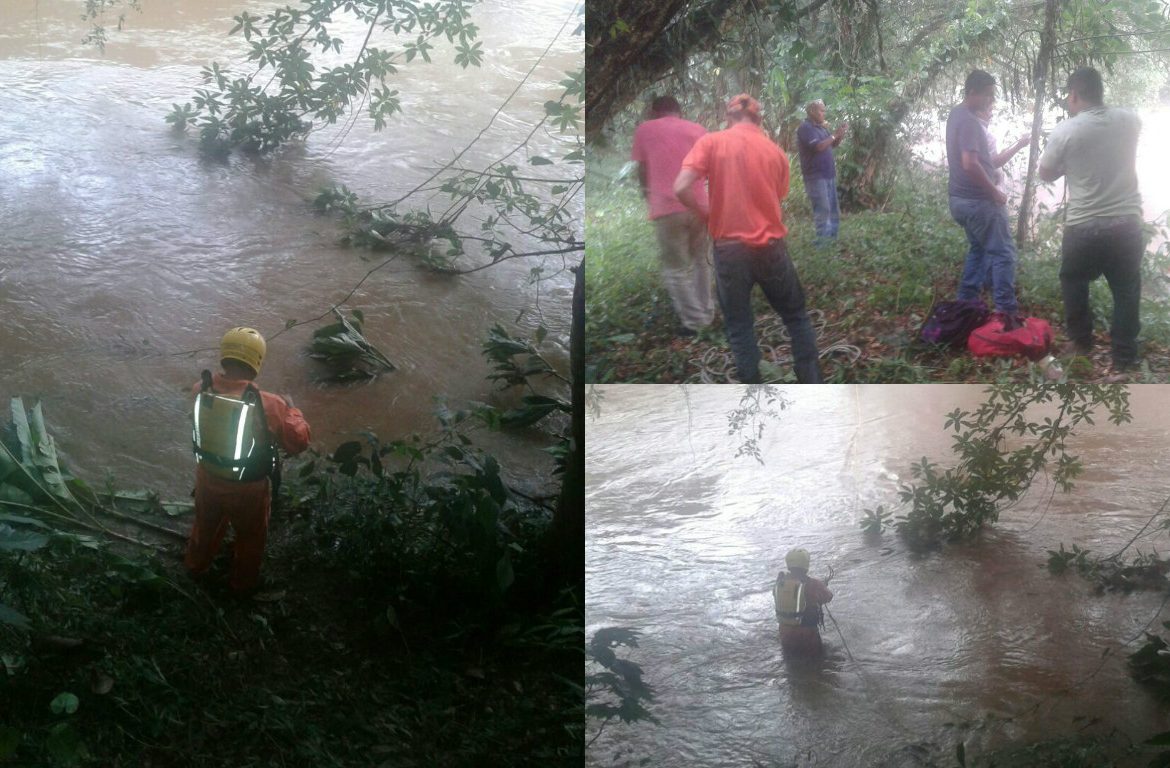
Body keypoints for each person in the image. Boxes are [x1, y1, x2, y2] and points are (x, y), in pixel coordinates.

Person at [673, 94, 824, 383]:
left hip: (729, 251)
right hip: (771, 249)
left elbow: (681, 187)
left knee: (740, 325)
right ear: (759, 119)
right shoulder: (775, 152)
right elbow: (777, 197)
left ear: (729, 117)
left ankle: (752, 396)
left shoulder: (712, 142)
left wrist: (708, 214)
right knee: (795, 316)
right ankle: (812, 382)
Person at [186, 327, 311, 594]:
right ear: (257, 363)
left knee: (205, 526)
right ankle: (241, 586)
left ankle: (195, 567)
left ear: (224, 357)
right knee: (251, 537)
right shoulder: (271, 404)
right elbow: (298, 441)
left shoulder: (200, 389)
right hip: (248, 489)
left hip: (207, 477)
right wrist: (293, 409)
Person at [1038, 67, 1144, 373]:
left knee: (1073, 280)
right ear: (1100, 92)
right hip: (1126, 224)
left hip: (1084, 226)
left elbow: (1045, 173)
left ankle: (1081, 344)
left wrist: (1067, 165)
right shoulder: (1130, 120)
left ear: (1073, 95)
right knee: (1126, 289)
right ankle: (1124, 359)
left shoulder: (1066, 131)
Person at [630, 95, 715, 336]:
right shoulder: (697, 130)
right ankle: (706, 313)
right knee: (702, 261)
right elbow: (709, 169)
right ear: (678, 110)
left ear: (654, 111)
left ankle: (694, 321)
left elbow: (643, 170)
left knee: (676, 268)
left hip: (666, 208)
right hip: (699, 205)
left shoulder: (645, 130)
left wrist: (648, 196)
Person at [946, 70, 1020, 330]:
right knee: (1003, 253)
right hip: (978, 201)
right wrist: (994, 192)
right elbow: (969, 164)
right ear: (972, 92)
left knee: (978, 249)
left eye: (992, 94)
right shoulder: (968, 121)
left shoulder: (956, 114)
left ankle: (965, 305)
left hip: (959, 200)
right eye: (987, 94)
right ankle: (1006, 314)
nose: (990, 100)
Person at [796, 99, 848, 242]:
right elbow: (818, 147)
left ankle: (833, 239)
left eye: (824, 110)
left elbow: (832, 144)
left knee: (833, 208)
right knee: (823, 209)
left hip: (828, 174)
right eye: (821, 110)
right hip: (815, 176)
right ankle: (823, 243)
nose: (823, 113)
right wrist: (833, 135)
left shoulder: (821, 128)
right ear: (812, 111)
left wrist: (840, 134)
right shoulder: (805, 128)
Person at [773, 547, 833, 656]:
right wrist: (822, 586)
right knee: (816, 663)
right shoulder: (813, 583)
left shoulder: (779, 583)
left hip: (784, 634)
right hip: (807, 635)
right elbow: (828, 597)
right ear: (806, 565)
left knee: (791, 662)